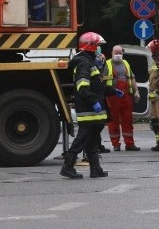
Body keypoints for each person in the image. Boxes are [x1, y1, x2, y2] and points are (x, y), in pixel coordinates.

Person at [60, 32, 109, 179]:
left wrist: (112, 90)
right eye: (98, 46)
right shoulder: (84, 62)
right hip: (88, 110)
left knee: (92, 141)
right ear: (92, 46)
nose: (100, 49)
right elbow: (83, 87)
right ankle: (67, 167)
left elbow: (96, 85)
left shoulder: (89, 61)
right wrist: (94, 102)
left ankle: (95, 169)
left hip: (92, 110)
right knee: (82, 139)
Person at [105, 45, 141, 151]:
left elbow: (131, 78)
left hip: (126, 96)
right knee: (113, 121)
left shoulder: (126, 63)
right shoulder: (107, 64)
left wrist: (136, 91)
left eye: (120, 53)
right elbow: (102, 80)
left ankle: (130, 144)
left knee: (128, 120)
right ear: (112, 53)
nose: (118, 55)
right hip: (112, 96)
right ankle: (115, 144)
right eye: (116, 53)